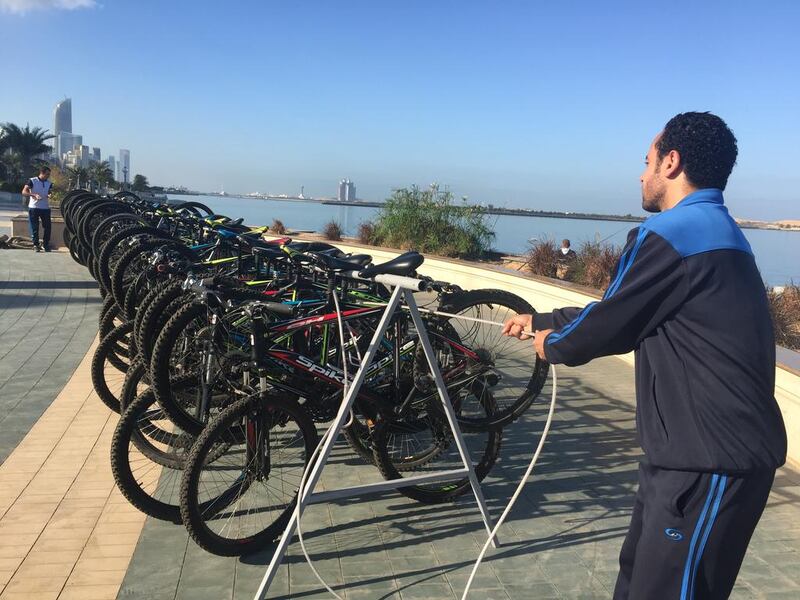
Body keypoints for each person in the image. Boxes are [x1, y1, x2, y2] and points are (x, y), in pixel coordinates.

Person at [503, 112, 786, 599]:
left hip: (709, 462)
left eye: (646, 160)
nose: (640, 173)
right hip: (688, 459)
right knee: (639, 584)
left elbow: (611, 326)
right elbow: (632, 307)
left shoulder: (671, 232)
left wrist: (554, 346)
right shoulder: (716, 230)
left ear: (671, 162)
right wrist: (546, 320)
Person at [21, 166, 53, 252]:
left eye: (49, 174)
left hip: (45, 208)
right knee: (34, 227)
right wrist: (33, 195)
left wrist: (50, 195)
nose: (48, 176)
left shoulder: (49, 183)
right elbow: (24, 191)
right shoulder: (32, 180)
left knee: (48, 227)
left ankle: (45, 244)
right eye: (47, 174)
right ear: (42, 173)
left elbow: (49, 192)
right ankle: (36, 245)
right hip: (34, 208)